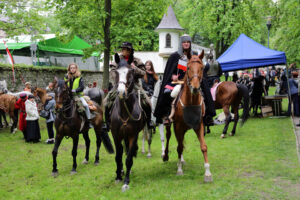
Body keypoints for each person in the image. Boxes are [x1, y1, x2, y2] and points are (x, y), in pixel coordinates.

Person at [154, 34, 215, 126]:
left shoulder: (194, 55)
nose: (186, 44)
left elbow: (200, 68)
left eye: (188, 42)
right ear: (181, 44)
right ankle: (166, 115)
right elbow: (169, 71)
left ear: (190, 43)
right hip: (178, 81)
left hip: (193, 80)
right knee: (166, 92)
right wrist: (172, 76)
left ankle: (208, 116)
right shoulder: (175, 56)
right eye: (184, 42)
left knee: (206, 90)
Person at [104, 42, 153, 130]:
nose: (124, 51)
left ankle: (149, 121)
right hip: (120, 84)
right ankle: (106, 123)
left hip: (134, 85)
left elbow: (143, 73)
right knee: (107, 101)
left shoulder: (137, 60)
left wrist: (135, 68)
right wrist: (119, 80)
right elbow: (112, 71)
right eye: (123, 49)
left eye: (126, 49)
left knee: (147, 101)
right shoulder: (117, 60)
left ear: (130, 51)